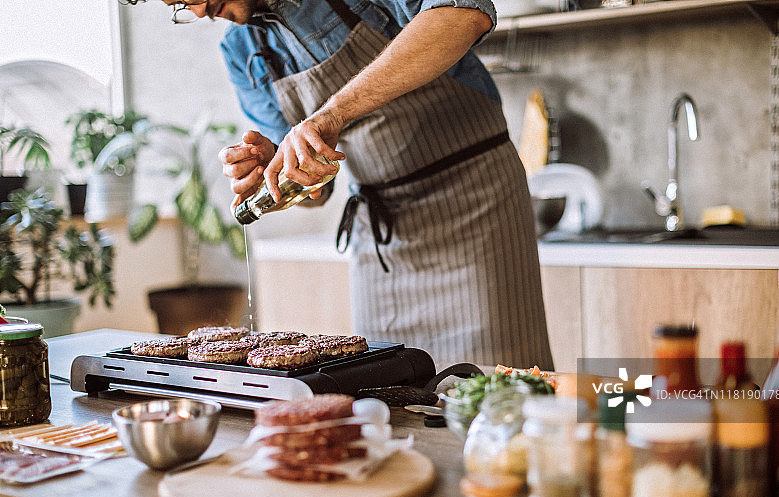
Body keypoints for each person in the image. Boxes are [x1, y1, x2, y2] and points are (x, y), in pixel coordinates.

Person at [124, 0, 554, 370]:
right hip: (382, 238)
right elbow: (319, 192)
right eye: (178, 6)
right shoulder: (243, 52)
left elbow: (463, 14)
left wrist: (332, 114)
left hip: (476, 206)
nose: (197, 10)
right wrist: (278, 175)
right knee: (387, 389)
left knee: (496, 389)